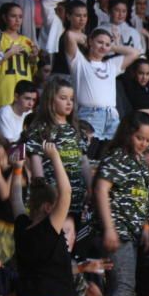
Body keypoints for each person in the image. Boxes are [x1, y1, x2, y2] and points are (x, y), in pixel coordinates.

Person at [12, 142, 83, 296]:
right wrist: (54, 157)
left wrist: (18, 170)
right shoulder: (48, 227)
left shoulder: (21, 227)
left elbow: (16, 201)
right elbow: (66, 193)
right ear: (47, 208)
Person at [93, 112, 149, 296]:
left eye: (148, 140)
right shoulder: (117, 157)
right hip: (117, 230)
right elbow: (101, 189)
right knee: (124, 283)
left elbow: (143, 199)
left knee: (123, 285)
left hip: (132, 232)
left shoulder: (139, 161)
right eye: (140, 137)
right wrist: (109, 228)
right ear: (128, 133)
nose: (143, 143)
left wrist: (146, 227)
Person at [25, 76, 91, 221]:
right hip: (55, 202)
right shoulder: (40, 129)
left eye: (71, 99)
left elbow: (84, 163)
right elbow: (37, 168)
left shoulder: (77, 129)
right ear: (50, 100)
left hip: (77, 201)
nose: (69, 103)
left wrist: (90, 188)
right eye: (63, 98)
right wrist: (43, 197)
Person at [65, 27, 141, 141]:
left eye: (106, 44)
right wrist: (88, 39)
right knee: (89, 152)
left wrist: (112, 47)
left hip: (112, 116)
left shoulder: (111, 65)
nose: (103, 47)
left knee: (110, 152)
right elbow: (70, 35)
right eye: (99, 42)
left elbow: (135, 53)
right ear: (90, 42)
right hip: (89, 115)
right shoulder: (80, 63)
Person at [0, 3, 38, 109]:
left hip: (24, 93)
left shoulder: (28, 41)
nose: (17, 20)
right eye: (13, 16)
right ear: (4, 18)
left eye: (20, 17)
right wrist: (9, 53)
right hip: (3, 90)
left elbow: (33, 69)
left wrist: (33, 57)